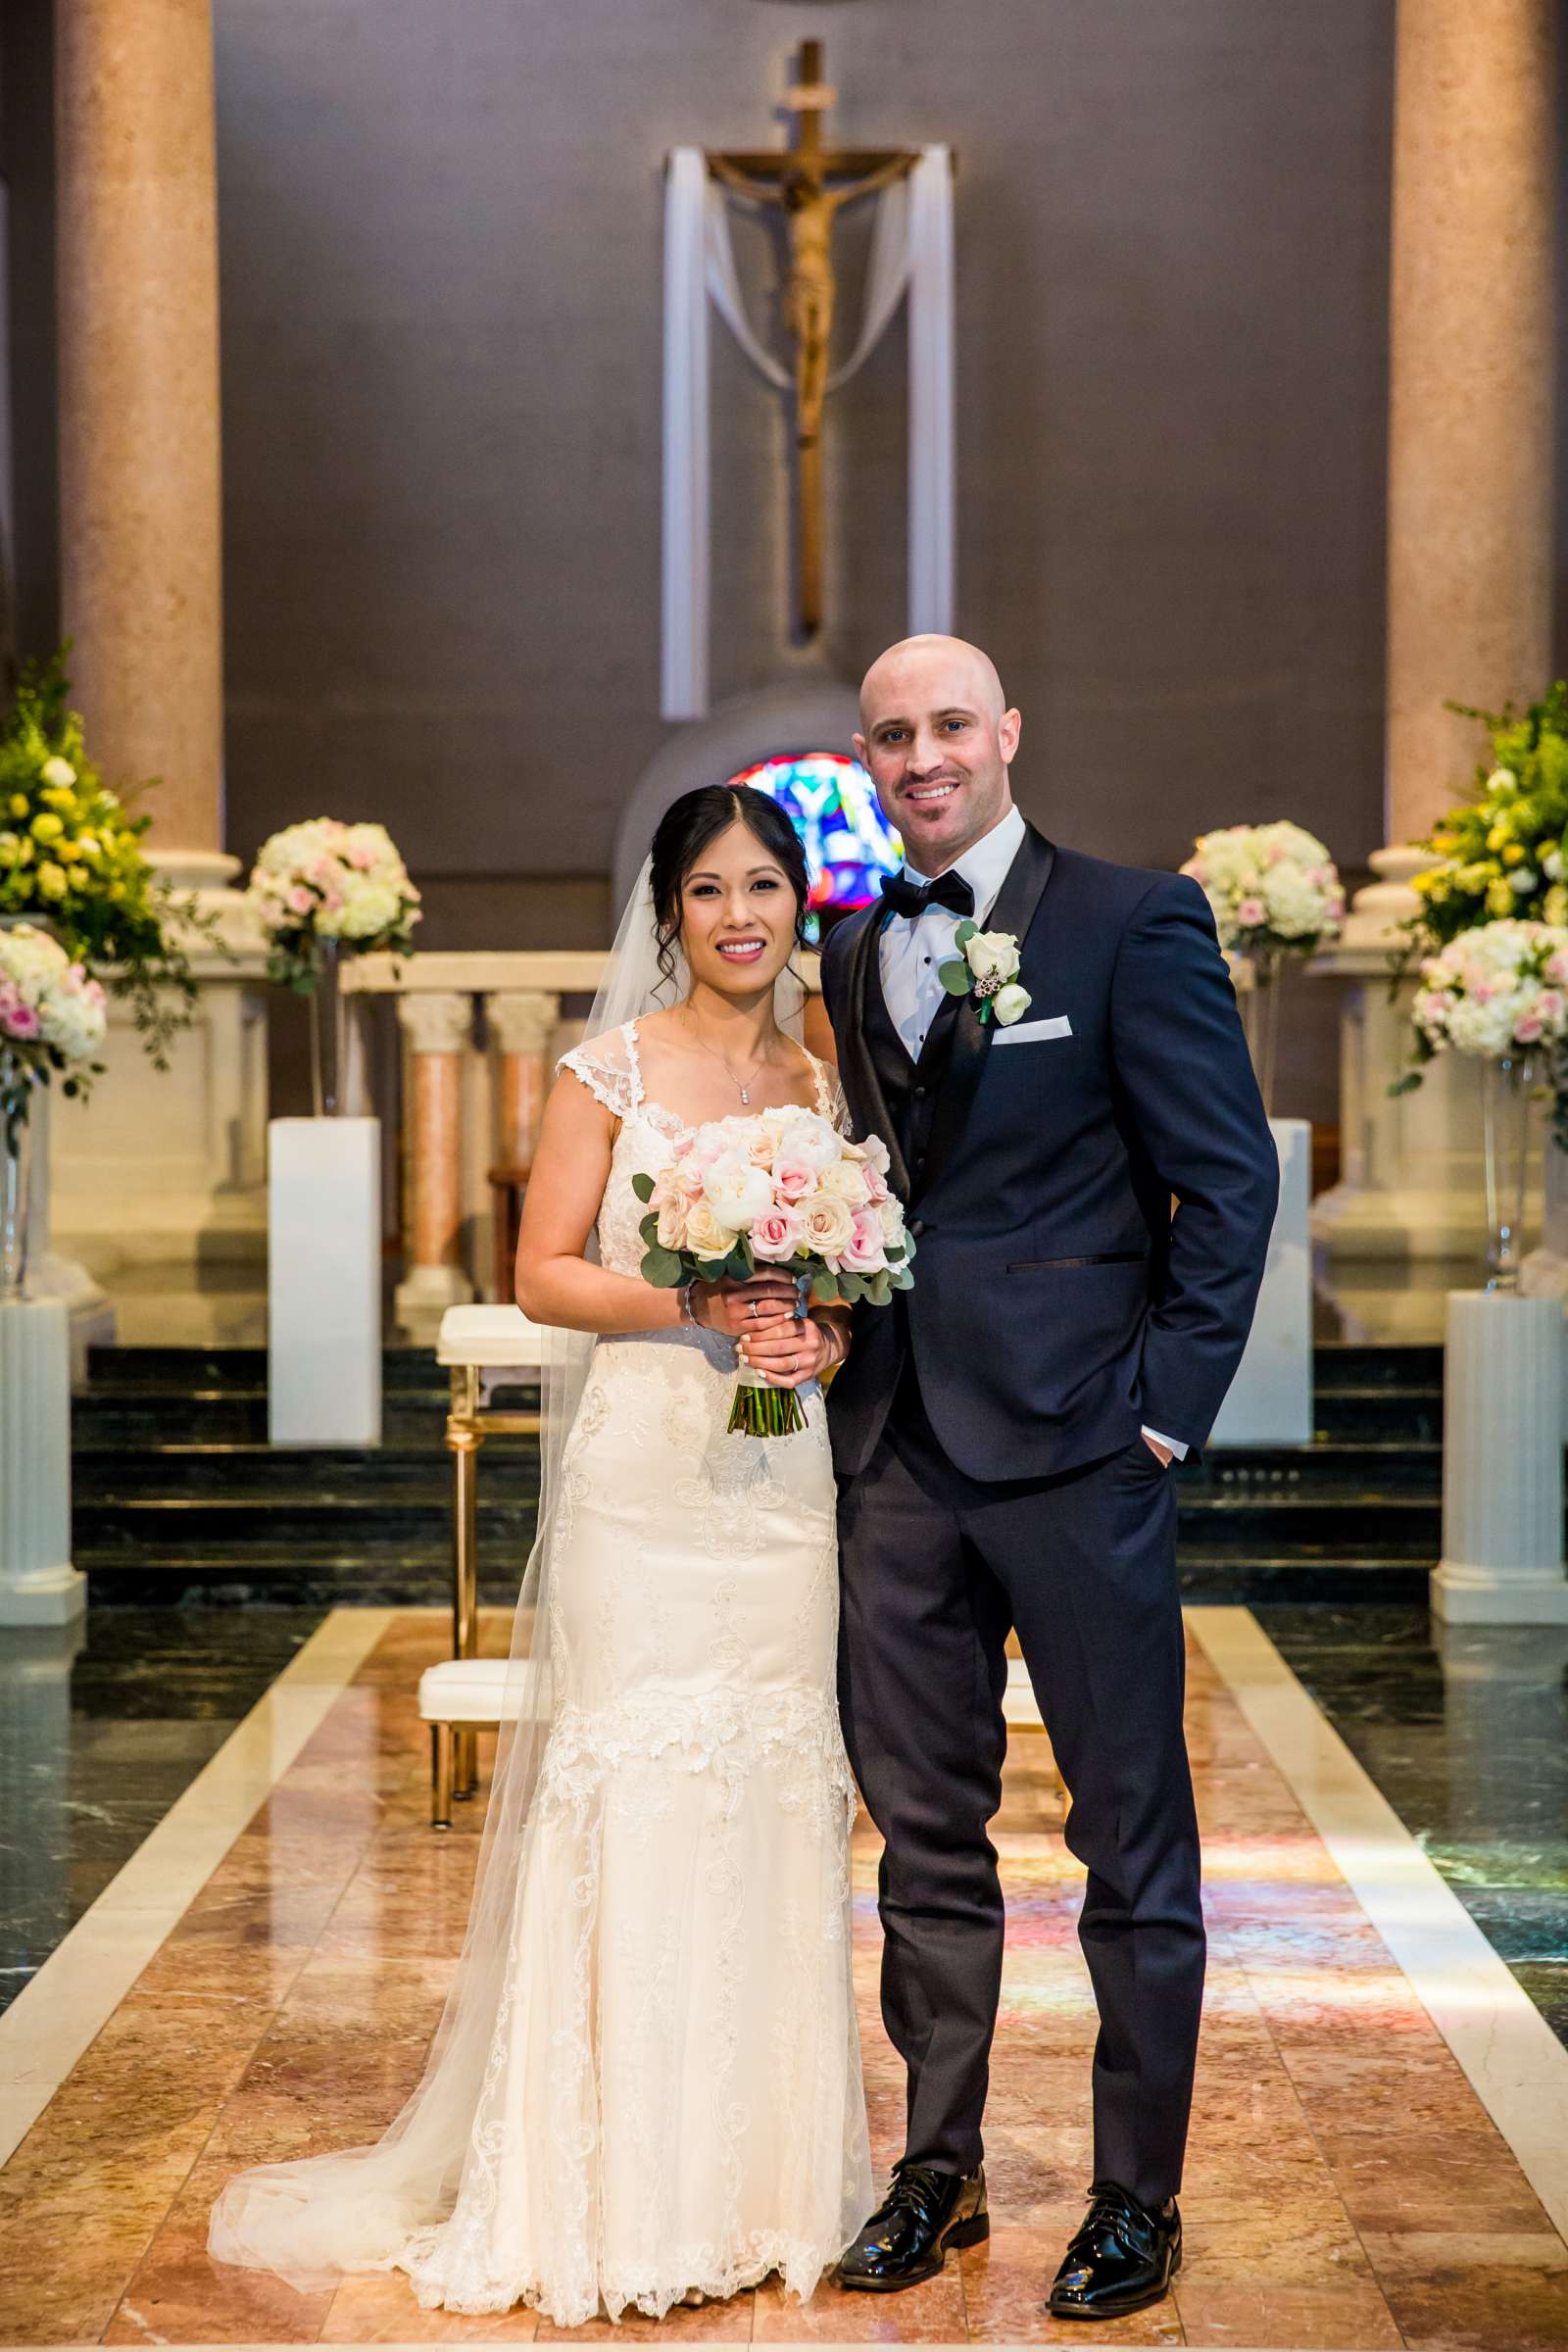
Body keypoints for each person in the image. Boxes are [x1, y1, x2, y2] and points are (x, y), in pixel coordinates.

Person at [207, 784, 871, 2325]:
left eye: (764, 886)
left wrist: (817, 1329)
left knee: (774, 1786)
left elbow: (847, 1277)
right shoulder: (608, 1068)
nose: (739, 916)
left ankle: (772, 2185)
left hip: (779, 1488)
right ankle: (615, 2192)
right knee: (634, 1794)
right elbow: (547, 1271)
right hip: (646, 1487)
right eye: (708, 890)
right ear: (668, 910)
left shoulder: (824, 1074)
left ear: (798, 904)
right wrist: (696, 1310)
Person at [820, 635, 1278, 2321]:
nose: (923, 755)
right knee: (922, 1839)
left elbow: (1224, 1189)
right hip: (896, 1455)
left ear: (1008, 735)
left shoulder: (1130, 920)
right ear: (866, 759)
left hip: (1084, 1448)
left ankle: (1134, 2201)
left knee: (1130, 1837)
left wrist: (1161, 1414)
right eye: (892, 735)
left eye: (950, 725)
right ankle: (936, 2173)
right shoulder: (857, 945)